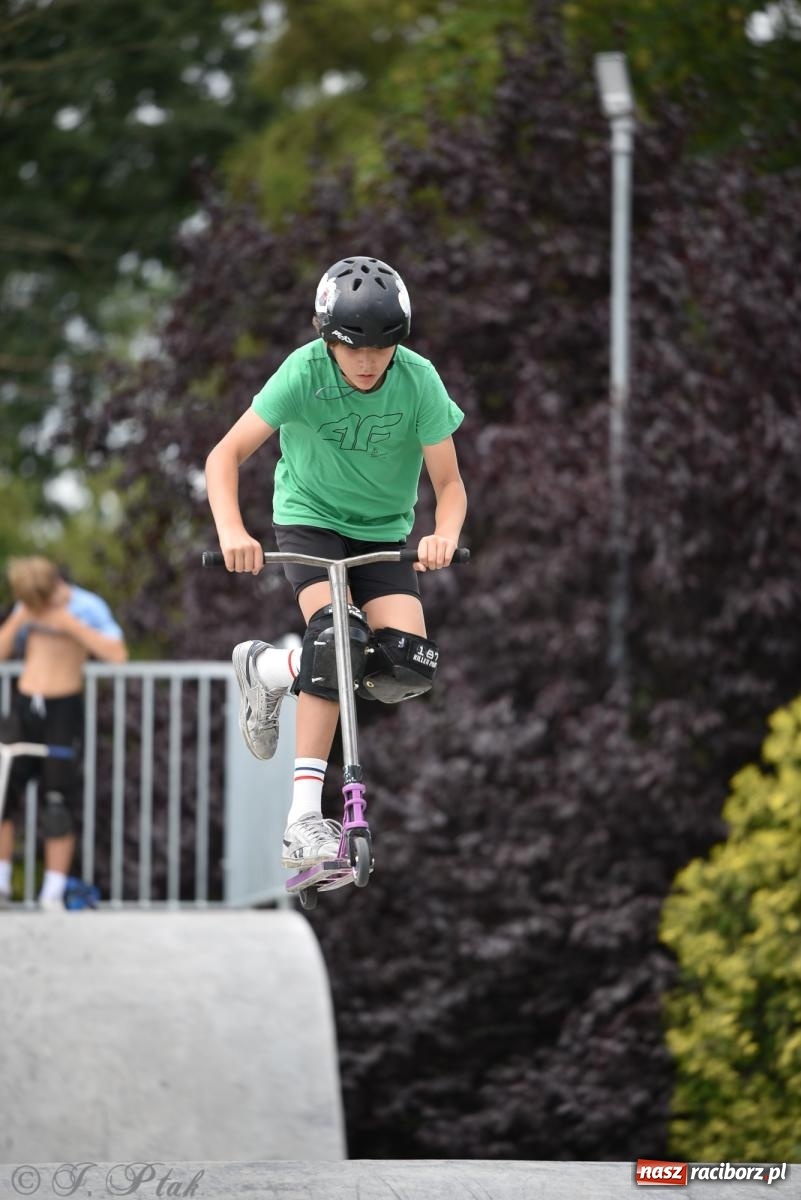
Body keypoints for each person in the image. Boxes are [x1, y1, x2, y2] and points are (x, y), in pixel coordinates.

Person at [206, 254, 467, 869]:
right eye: (353, 348)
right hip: (310, 520)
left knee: (407, 665)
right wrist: (230, 531)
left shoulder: (419, 380)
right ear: (328, 338)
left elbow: (450, 486)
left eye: (382, 348)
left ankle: (269, 670)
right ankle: (305, 823)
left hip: (381, 531)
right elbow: (224, 456)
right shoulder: (302, 371)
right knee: (337, 641)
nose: (368, 362)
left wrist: (443, 533)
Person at [0, 557, 128, 909]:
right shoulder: (27, 605)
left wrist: (69, 625)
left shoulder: (87, 606)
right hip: (24, 708)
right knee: (2, 798)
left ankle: (52, 893)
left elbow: (117, 654)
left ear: (56, 586)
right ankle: (2, 882)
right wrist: (22, 618)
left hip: (63, 712)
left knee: (57, 804)